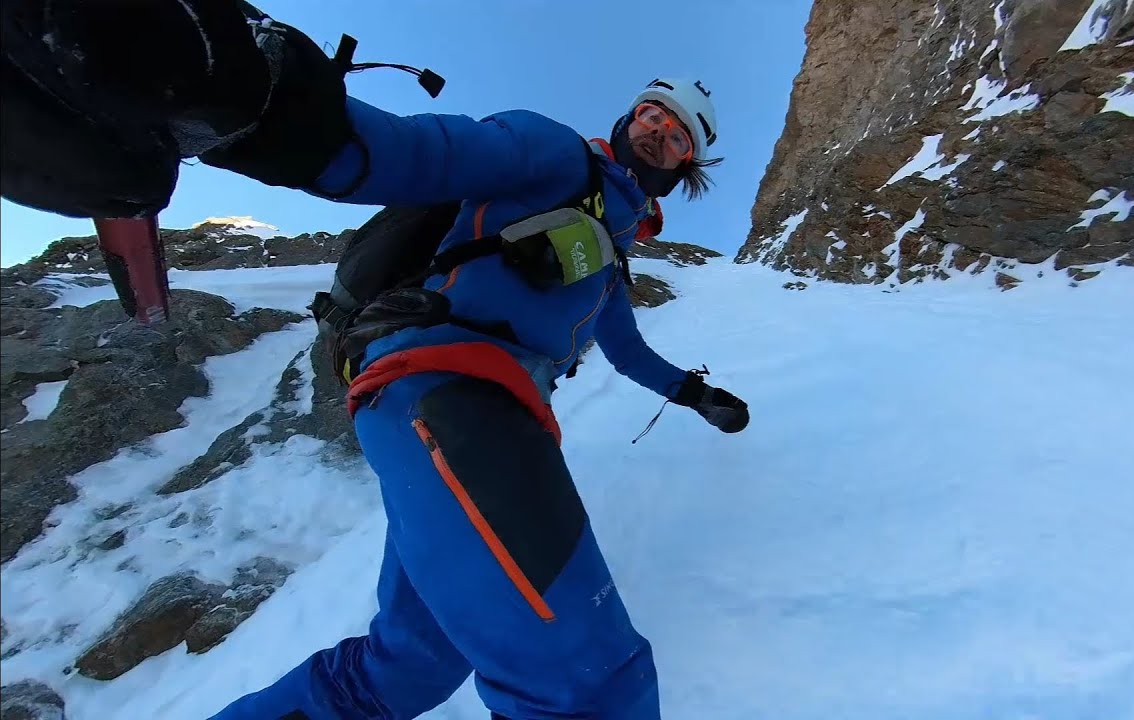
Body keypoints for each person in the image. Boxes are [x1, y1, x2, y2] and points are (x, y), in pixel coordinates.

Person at [1, 2, 749, 718]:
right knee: (591, 687)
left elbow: (628, 352)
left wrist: (694, 395)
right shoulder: (553, 154)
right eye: (652, 112)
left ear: (689, 161)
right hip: (448, 391)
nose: (658, 128)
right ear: (629, 117)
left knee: (408, 664)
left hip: (472, 419)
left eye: (678, 131)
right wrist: (252, 106)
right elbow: (417, 153)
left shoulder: (609, 266)